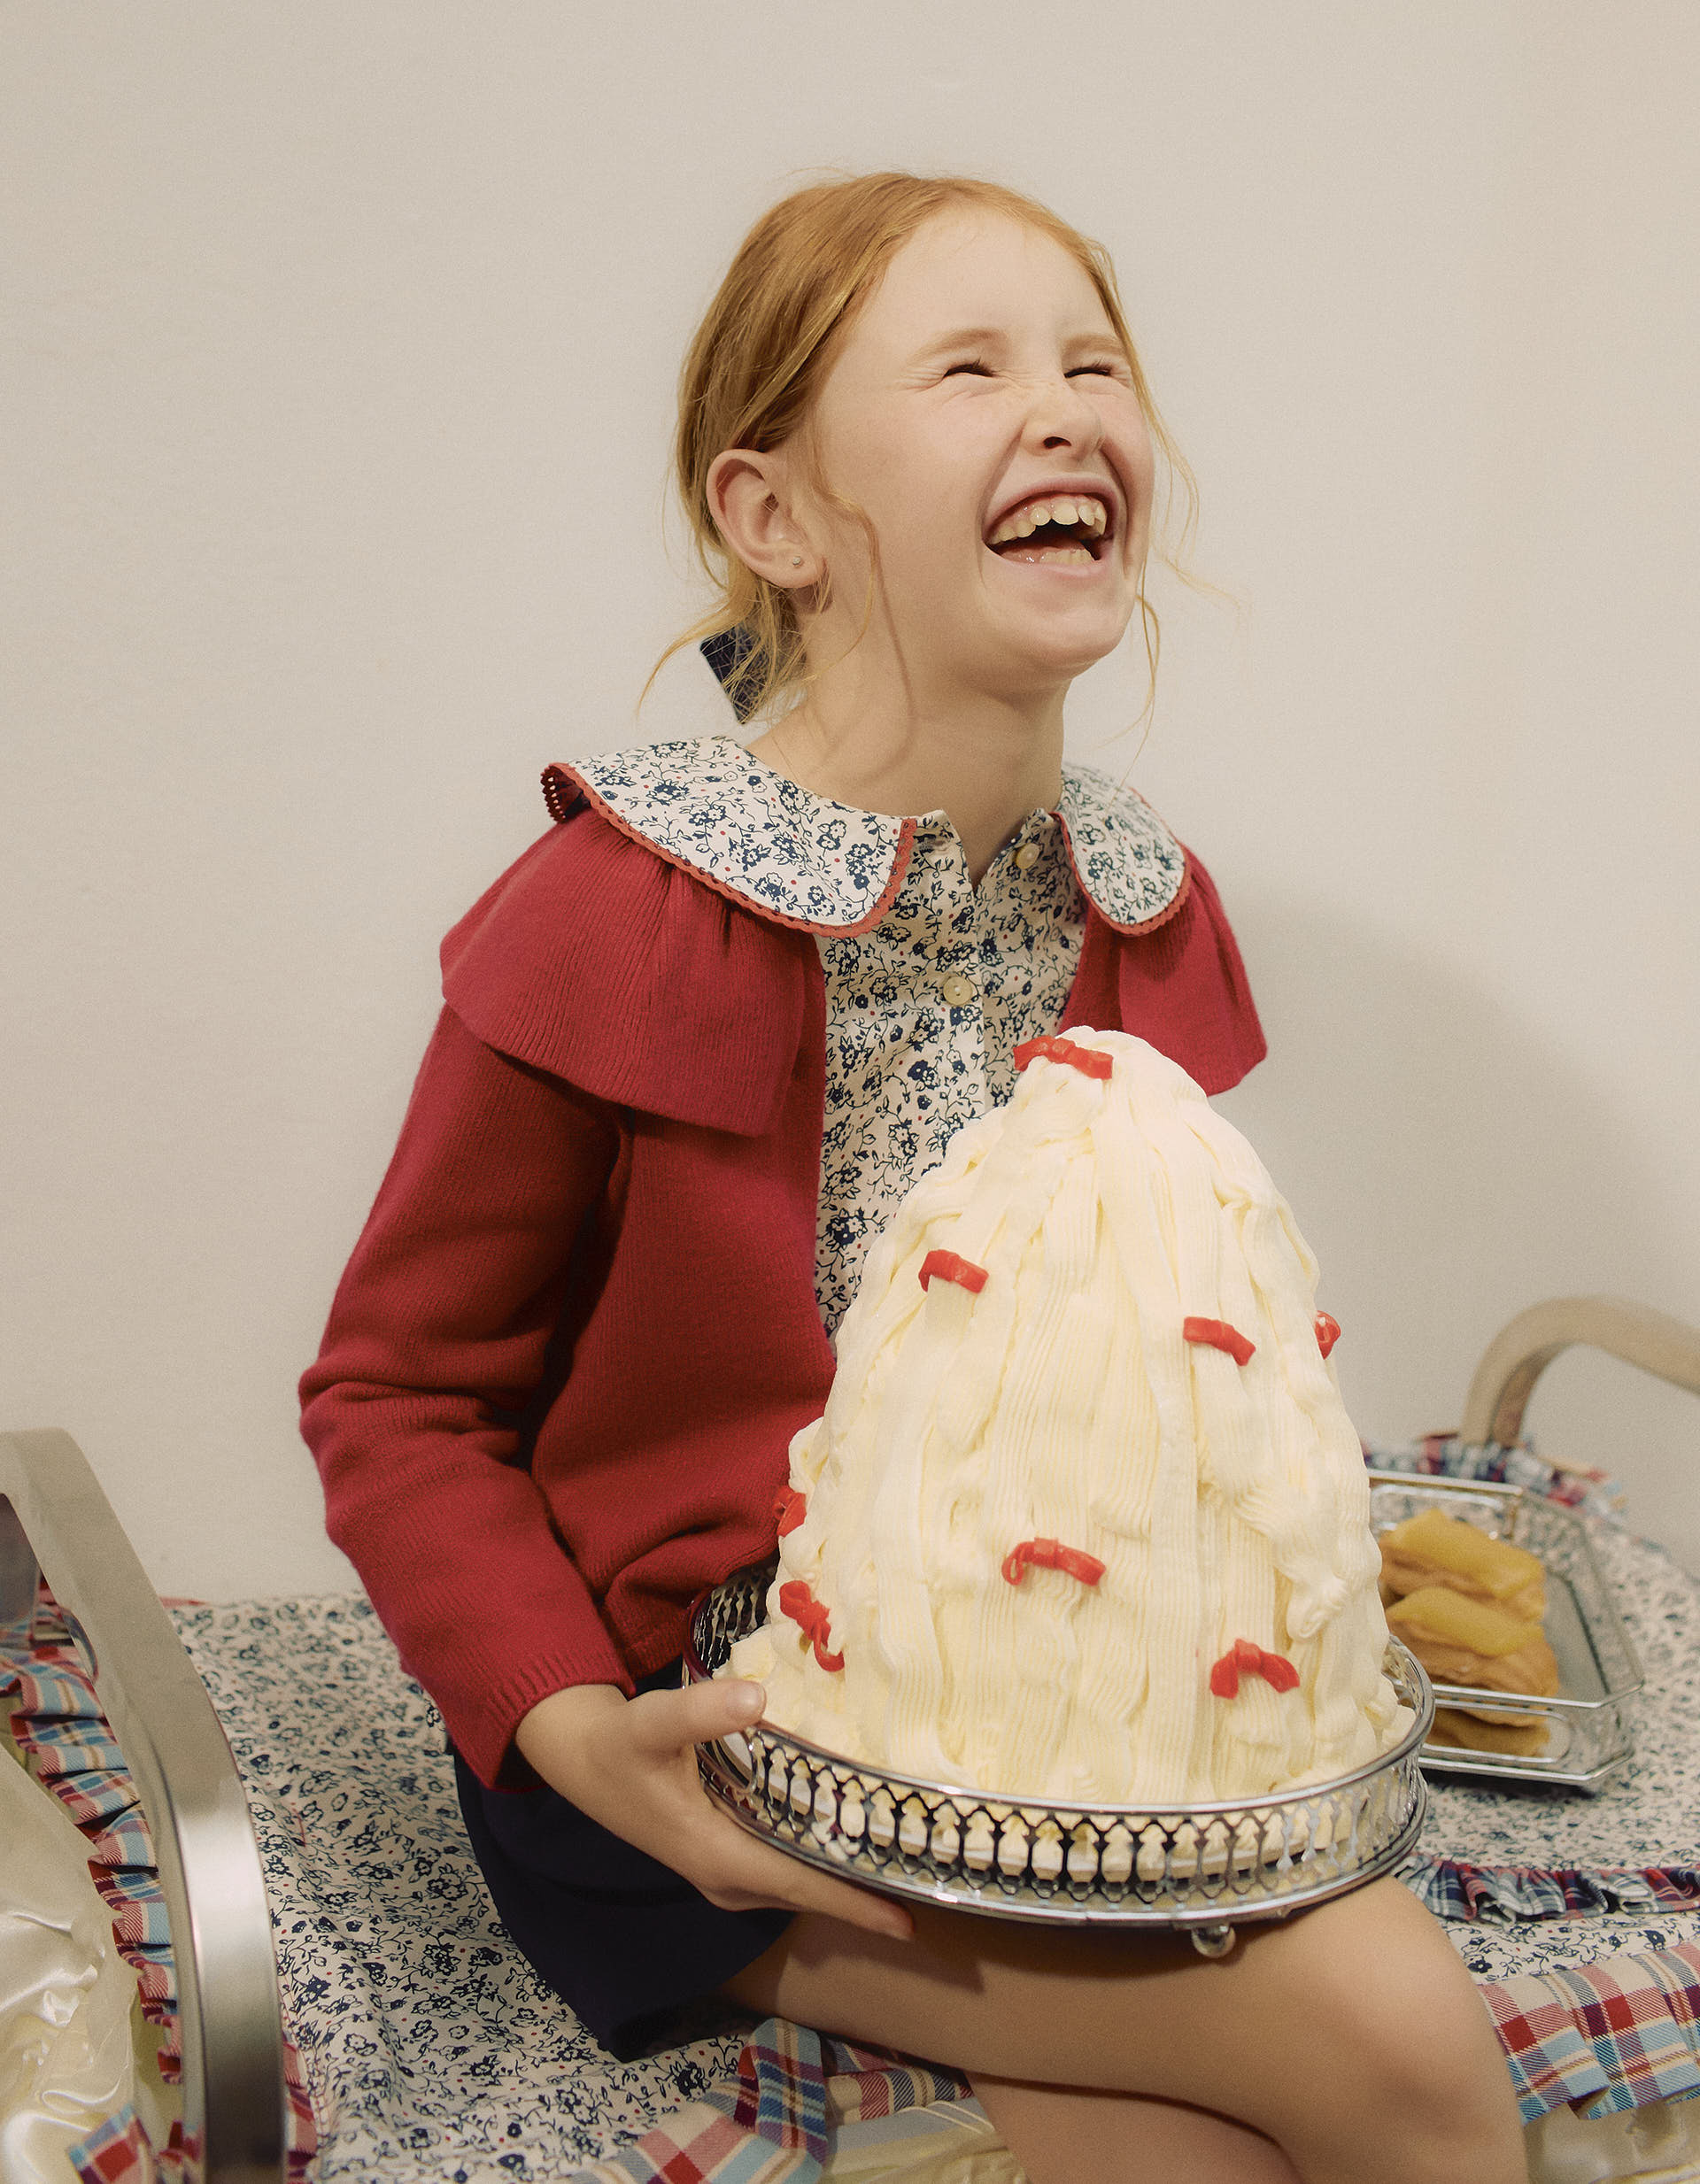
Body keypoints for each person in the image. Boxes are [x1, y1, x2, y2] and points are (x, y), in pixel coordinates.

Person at [300, 173, 1527, 2184]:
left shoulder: (1143, 903)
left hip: (1073, 1745)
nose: (1061, 407)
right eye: (969, 368)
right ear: (772, 515)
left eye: (1093, 361)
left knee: (1184, 2160)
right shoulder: (618, 907)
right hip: (705, 1763)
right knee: (1396, 2028)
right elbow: (395, 1398)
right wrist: (574, 1733)